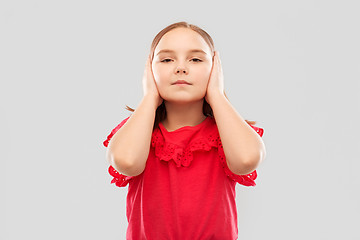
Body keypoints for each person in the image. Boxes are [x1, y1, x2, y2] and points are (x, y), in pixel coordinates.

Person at [103, 21, 266, 240]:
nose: (181, 68)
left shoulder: (227, 132)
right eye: (167, 59)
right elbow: (127, 162)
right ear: (149, 69)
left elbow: (247, 160)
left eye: (196, 59)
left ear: (215, 69)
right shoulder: (138, 131)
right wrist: (150, 96)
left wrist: (216, 94)